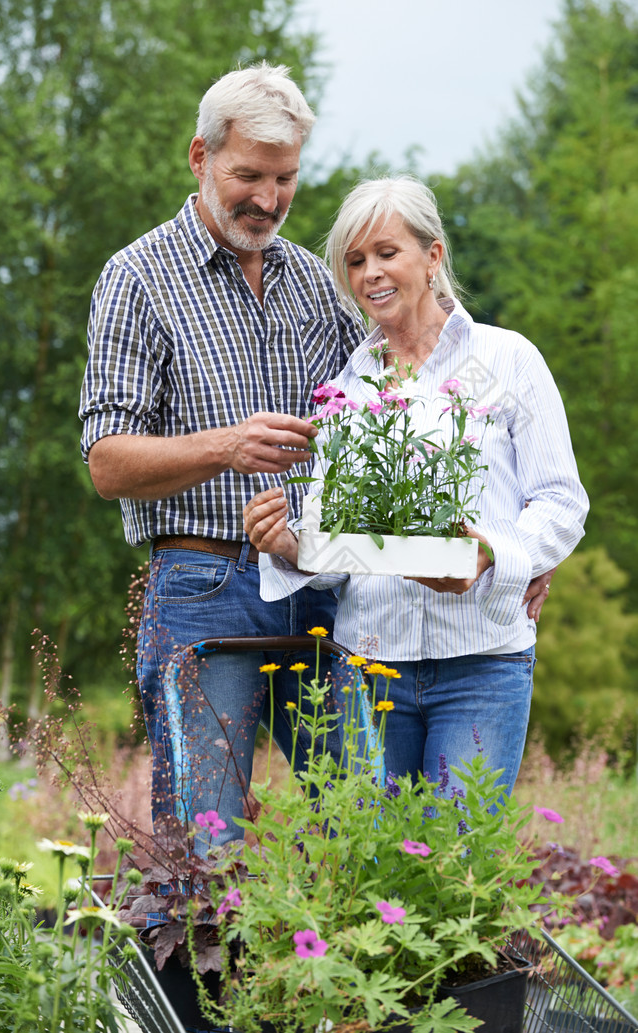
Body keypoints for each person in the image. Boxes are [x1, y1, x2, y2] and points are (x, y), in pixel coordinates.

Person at [78, 64, 366, 846]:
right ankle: (202, 972)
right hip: (206, 584)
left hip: (321, 583)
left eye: (285, 178)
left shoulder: (315, 282)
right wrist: (227, 447)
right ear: (199, 157)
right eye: (248, 175)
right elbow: (107, 460)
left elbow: (393, 406)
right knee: (210, 846)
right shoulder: (139, 277)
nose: (267, 200)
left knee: (364, 830)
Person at [244, 175, 589, 798]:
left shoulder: (507, 359)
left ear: (432, 257)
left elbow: (562, 500)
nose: (370, 273)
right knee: (374, 870)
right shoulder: (347, 390)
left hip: (483, 660)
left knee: (457, 858)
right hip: (371, 666)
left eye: (386, 253)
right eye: (355, 261)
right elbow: (342, 546)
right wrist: (290, 546)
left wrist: (489, 556)